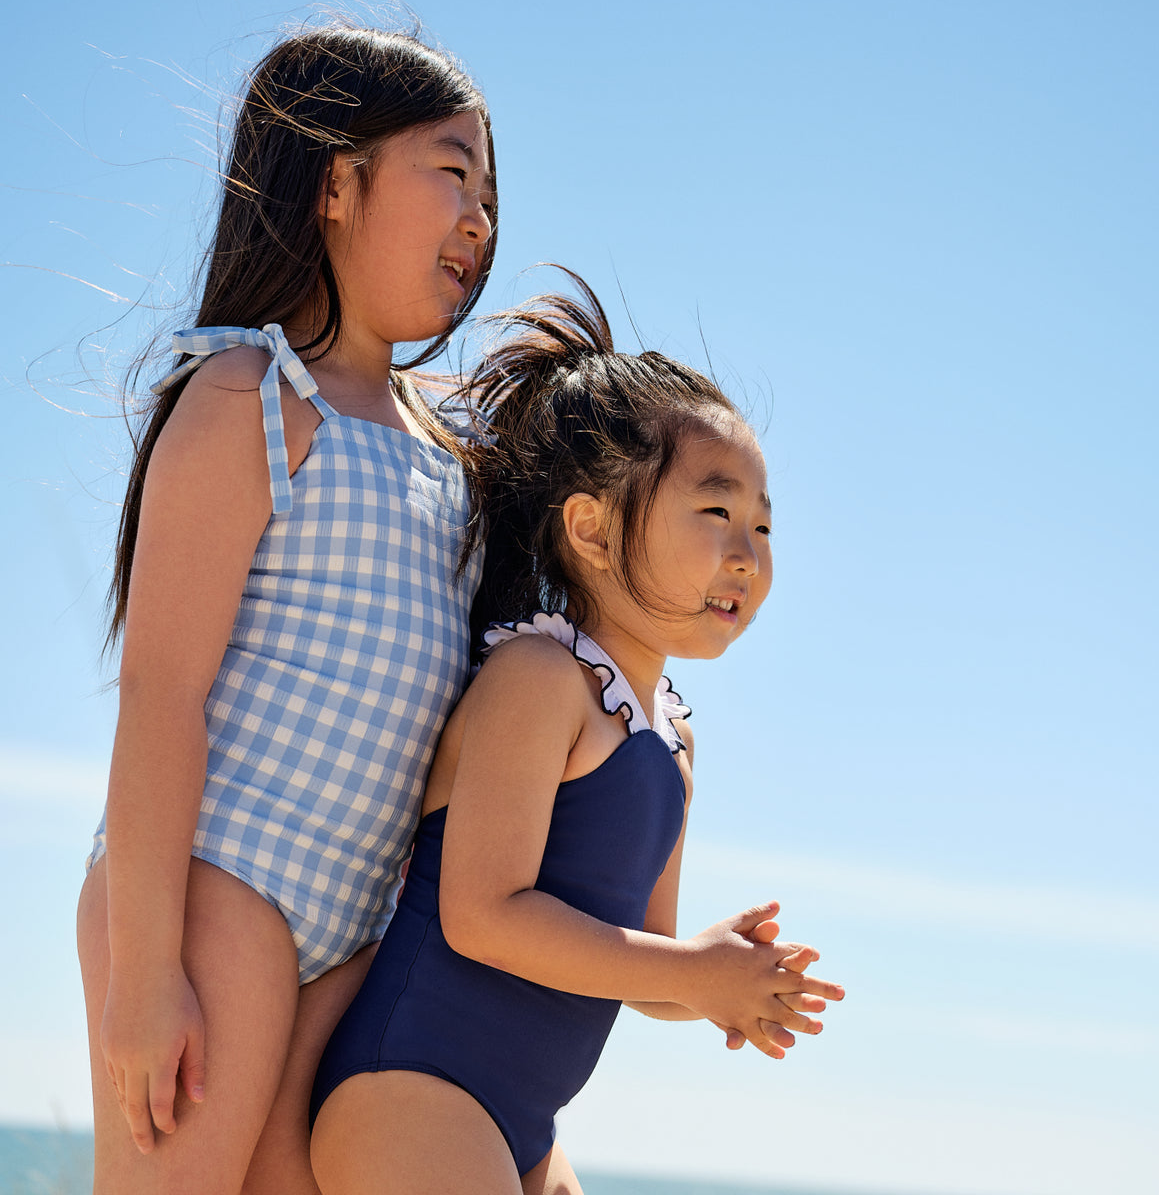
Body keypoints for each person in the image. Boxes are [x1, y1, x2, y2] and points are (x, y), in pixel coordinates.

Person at [74, 23, 498, 1195]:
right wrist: (144, 975)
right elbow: (163, 692)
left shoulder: (452, 450)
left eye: (492, 193)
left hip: (359, 928)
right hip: (219, 879)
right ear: (334, 184)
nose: (481, 218)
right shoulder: (253, 395)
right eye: (452, 172)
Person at [309, 277, 846, 1195]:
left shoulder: (673, 739)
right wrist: (692, 970)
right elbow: (481, 916)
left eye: (762, 525)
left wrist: (720, 978)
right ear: (592, 530)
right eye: (715, 512)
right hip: (415, 1088)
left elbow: (636, 965)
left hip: (524, 1126)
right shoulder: (539, 679)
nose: (747, 553)